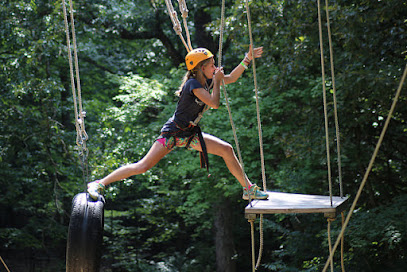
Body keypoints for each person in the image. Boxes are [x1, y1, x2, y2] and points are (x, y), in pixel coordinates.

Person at [87, 46, 268, 201]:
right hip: (173, 134)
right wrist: (218, 82)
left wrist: (247, 59)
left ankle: (248, 189)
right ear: (201, 68)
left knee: (226, 149)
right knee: (143, 166)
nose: (215, 67)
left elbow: (231, 78)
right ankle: (99, 183)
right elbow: (214, 104)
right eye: (212, 65)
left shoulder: (208, 81)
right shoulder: (192, 85)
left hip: (189, 134)